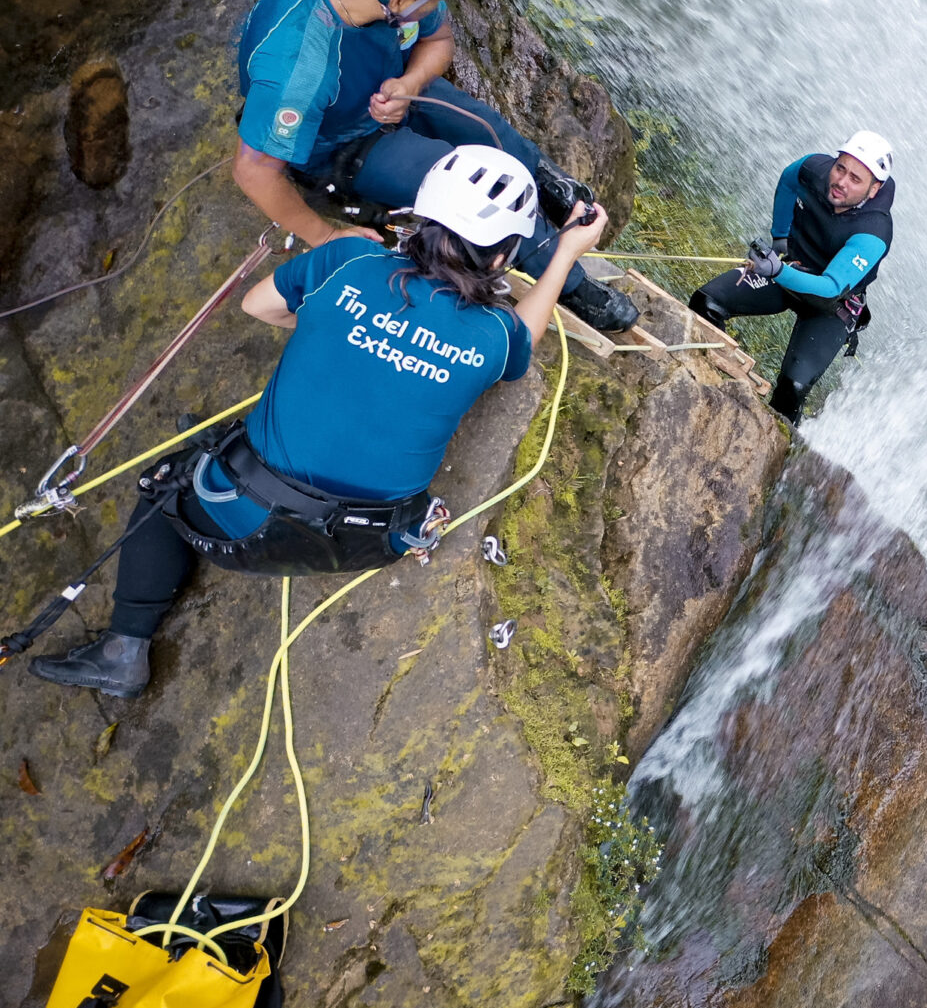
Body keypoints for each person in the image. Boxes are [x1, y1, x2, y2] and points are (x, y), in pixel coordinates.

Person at [31, 146, 609, 697]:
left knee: (164, 483)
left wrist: (335, 329)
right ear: (505, 256)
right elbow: (526, 337)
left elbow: (257, 306)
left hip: (244, 524)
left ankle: (123, 650)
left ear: (422, 214)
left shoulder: (350, 260)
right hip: (373, 541)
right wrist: (564, 254)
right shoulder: (494, 336)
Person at [232, 0, 638, 332]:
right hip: (340, 147)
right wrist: (326, 237)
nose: (437, 6)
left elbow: (438, 40)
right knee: (476, 190)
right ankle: (571, 283)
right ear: (399, 1)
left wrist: (410, 84)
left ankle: (544, 183)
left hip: (392, 83)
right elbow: (254, 171)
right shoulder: (299, 68)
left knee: (485, 127)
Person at [689, 132, 895, 424]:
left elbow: (830, 288)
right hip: (792, 269)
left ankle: (776, 448)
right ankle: (700, 387)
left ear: (874, 189)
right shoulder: (814, 170)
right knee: (706, 303)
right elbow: (789, 179)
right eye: (840, 168)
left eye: (855, 179)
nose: (841, 182)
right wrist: (781, 238)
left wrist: (778, 271)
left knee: (792, 390)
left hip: (831, 306)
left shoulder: (874, 232)